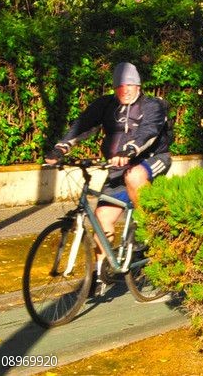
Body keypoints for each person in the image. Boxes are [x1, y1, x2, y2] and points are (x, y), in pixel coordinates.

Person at [44, 61, 171, 278]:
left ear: (138, 86)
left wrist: (130, 150)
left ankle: (148, 230)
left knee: (135, 175)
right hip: (117, 167)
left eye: (130, 86)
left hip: (152, 159)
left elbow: (149, 132)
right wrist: (60, 148)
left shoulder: (152, 105)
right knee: (102, 217)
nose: (125, 91)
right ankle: (99, 273)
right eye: (120, 87)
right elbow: (82, 125)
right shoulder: (106, 105)